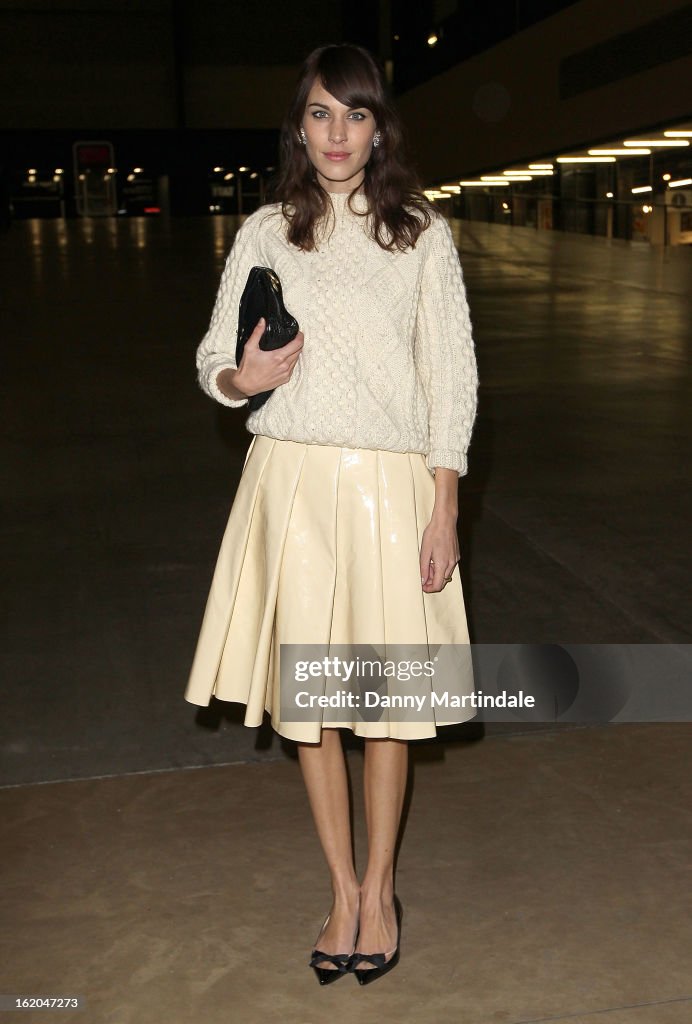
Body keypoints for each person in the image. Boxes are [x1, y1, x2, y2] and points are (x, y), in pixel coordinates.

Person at [184, 43, 479, 985]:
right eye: (320, 114)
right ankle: (343, 890)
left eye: (354, 114)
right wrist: (244, 375)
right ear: (299, 126)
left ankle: (383, 890)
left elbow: (452, 376)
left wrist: (445, 502)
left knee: (385, 706)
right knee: (316, 710)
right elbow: (211, 362)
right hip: (294, 485)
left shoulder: (421, 233)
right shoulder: (266, 232)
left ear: (379, 125)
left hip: (393, 492)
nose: (338, 134)